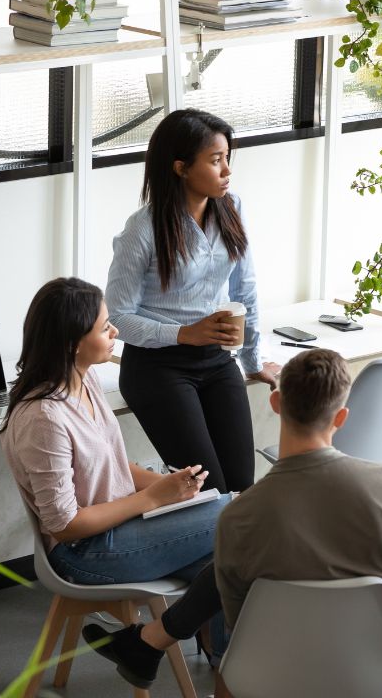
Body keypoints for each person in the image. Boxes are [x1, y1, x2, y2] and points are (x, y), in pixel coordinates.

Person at [0, 277, 230, 690]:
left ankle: (157, 650)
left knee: (237, 560)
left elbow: (110, 461)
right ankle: (172, 652)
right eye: (105, 327)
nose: (115, 331)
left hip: (120, 530)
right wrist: (151, 498)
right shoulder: (43, 418)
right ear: (73, 342)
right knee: (238, 515)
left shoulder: (84, 379)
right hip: (83, 553)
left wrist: (165, 485)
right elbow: (63, 525)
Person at [214, 348, 382, 692]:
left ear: (276, 403)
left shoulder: (237, 517)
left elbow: (238, 622)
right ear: (341, 417)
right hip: (379, 675)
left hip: (275, 676)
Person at [106, 109, 279, 495]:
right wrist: (184, 333)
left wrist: (253, 360)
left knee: (241, 488)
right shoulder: (143, 229)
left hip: (217, 360)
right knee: (208, 491)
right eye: (216, 160)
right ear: (181, 167)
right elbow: (117, 316)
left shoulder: (231, 207)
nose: (227, 170)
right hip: (157, 368)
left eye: (228, 158)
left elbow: (244, 288)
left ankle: (234, 557)